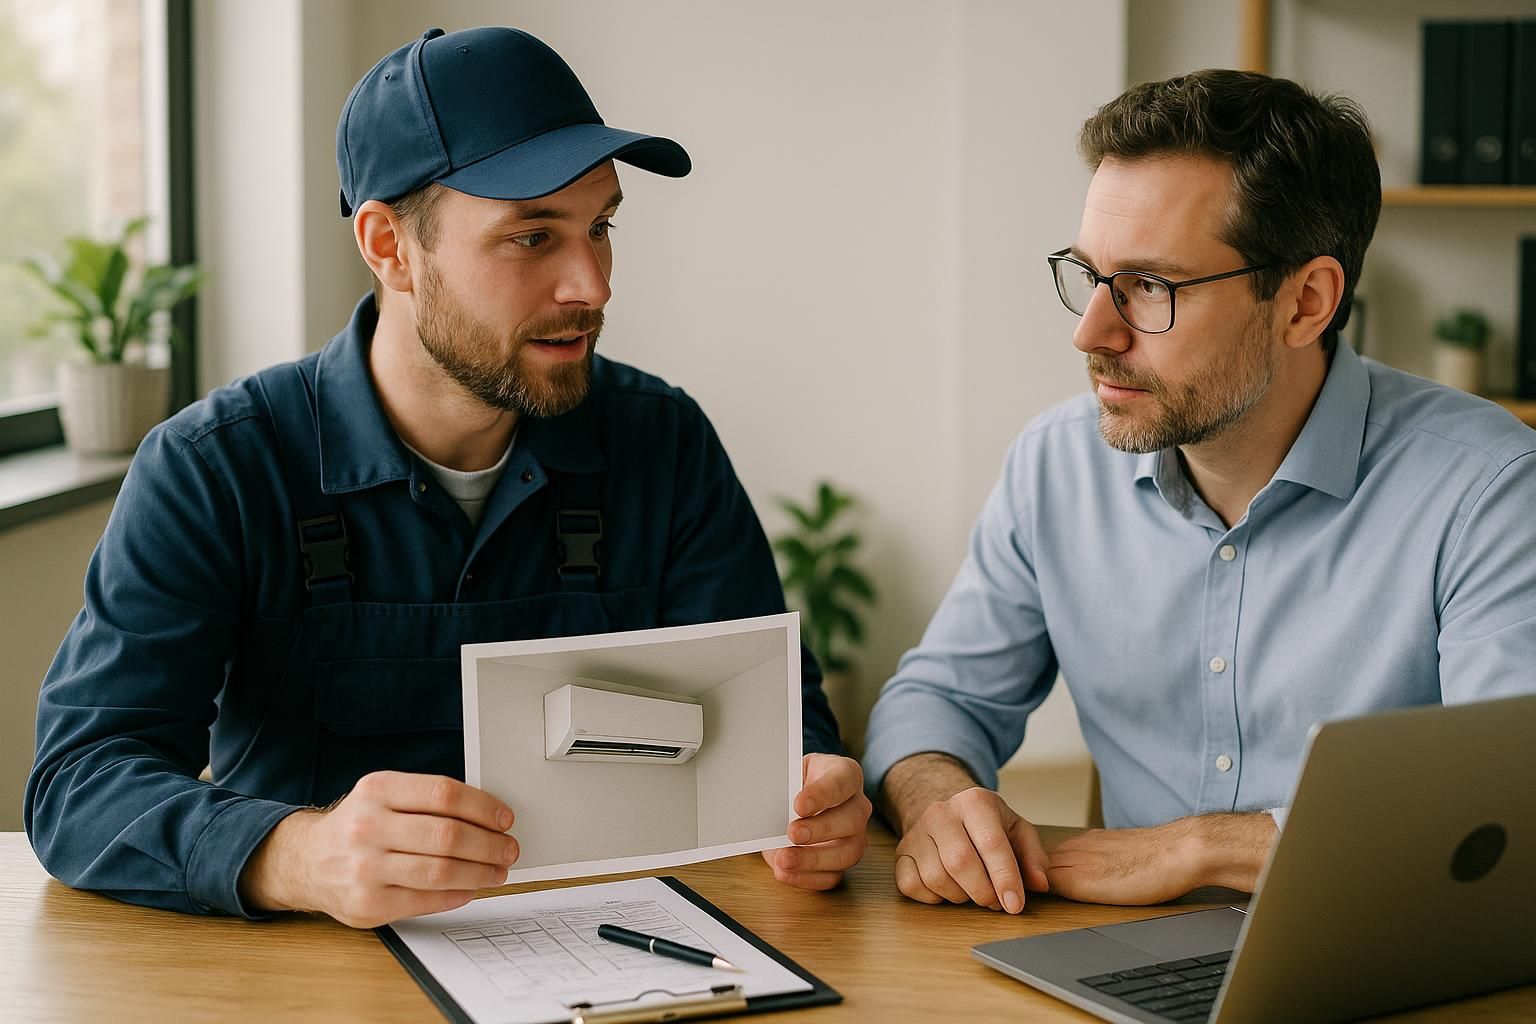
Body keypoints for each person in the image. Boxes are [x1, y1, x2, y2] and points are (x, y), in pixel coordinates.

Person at [26, 26, 870, 929]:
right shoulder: (217, 468)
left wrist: (814, 801)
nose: (592, 284)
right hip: (306, 980)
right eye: (533, 236)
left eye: (601, 226)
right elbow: (82, 780)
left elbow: (782, 737)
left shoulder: (665, 443)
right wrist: (297, 856)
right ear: (389, 246)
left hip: (621, 955)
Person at [862, 69, 1536, 916]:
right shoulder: (1055, 466)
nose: (1090, 333)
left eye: (1150, 288)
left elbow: (1509, 805)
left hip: (1386, 953)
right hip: (1117, 959)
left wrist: (1201, 843)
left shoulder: (1489, 490)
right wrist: (937, 799)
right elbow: (938, 701)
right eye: (1088, 275)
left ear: (1306, 302)